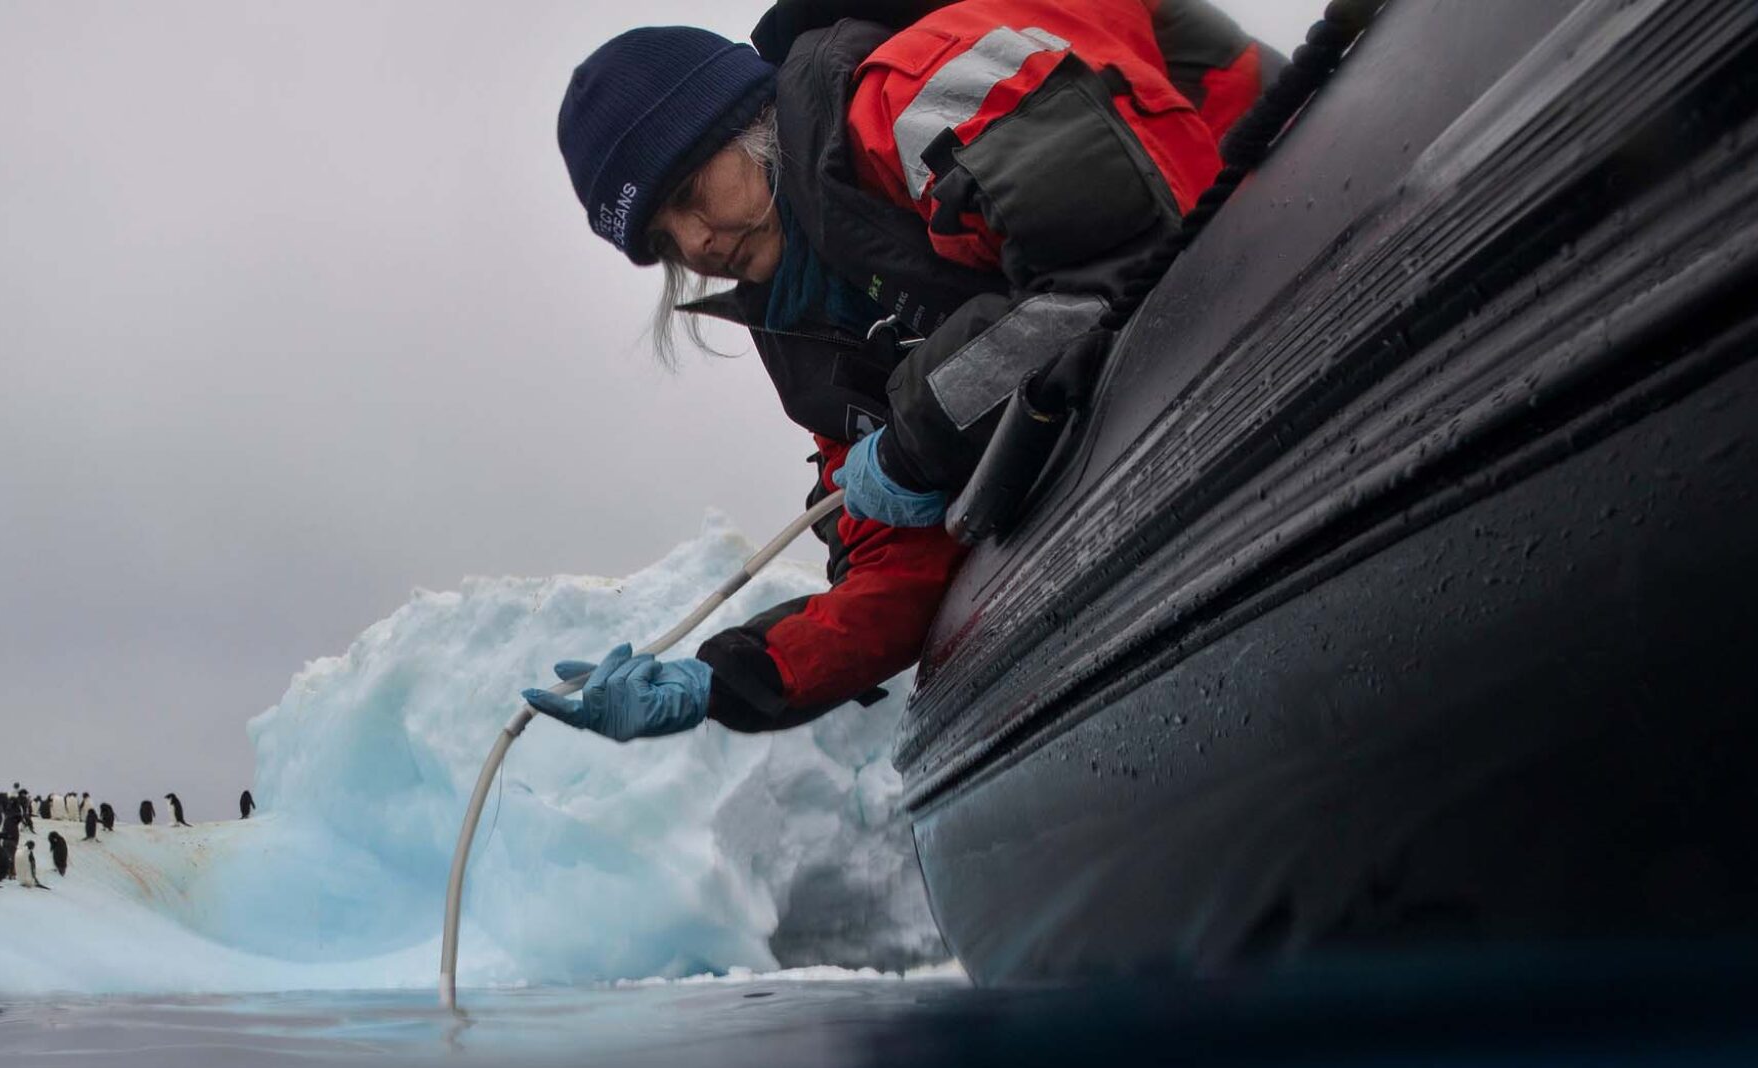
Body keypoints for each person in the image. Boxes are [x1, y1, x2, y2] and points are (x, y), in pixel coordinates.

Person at [529, 0, 1269, 742]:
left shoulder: (911, 94)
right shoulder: (809, 329)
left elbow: (1114, 261)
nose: (695, 240)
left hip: (1279, 209)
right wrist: (728, 679)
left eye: (690, 192)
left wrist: (920, 438)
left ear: (748, 121)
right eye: (662, 240)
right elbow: (894, 566)